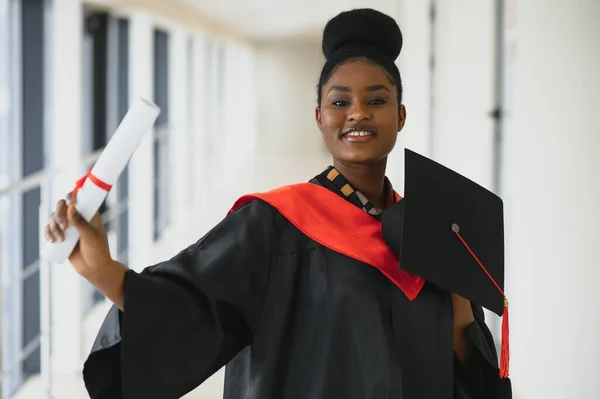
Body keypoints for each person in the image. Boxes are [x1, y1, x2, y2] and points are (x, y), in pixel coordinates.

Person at [45, 8, 512, 399]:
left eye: (377, 99)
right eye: (340, 101)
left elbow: (466, 371)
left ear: (401, 115)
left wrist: (457, 306)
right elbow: (192, 303)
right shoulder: (274, 224)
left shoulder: (429, 230)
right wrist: (103, 270)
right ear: (319, 117)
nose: (358, 113)